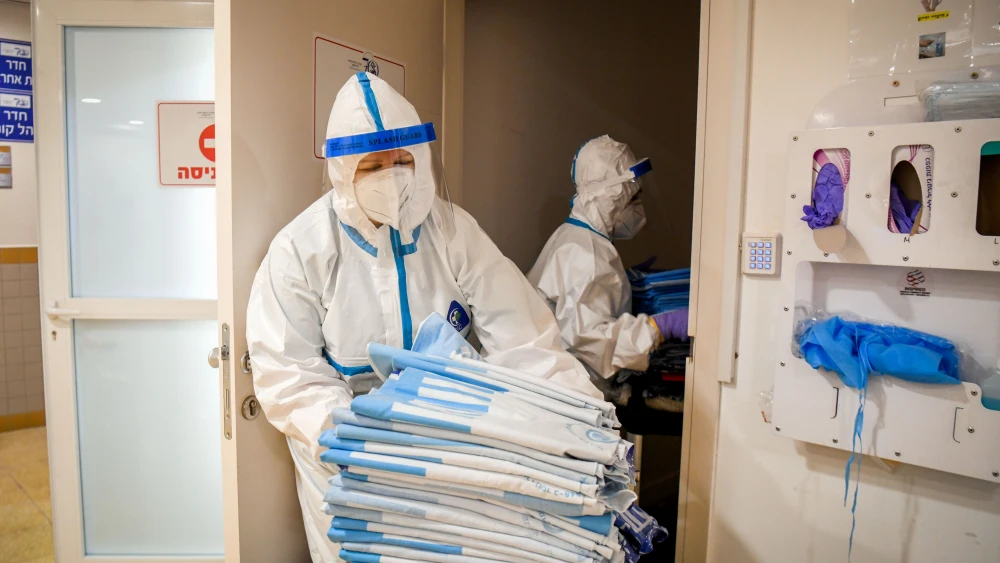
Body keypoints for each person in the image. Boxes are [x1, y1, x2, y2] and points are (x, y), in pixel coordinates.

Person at [245, 72, 598, 563]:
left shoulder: (453, 230)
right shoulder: (299, 250)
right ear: (344, 170)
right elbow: (289, 374)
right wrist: (367, 437)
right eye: (373, 164)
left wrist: (583, 427)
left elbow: (523, 337)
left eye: (403, 158)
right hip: (350, 462)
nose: (393, 174)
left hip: (446, 453)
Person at [528, 135, 682, 385]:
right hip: (566, 390)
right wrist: (659, 327)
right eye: (633, 198)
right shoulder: (586, 254)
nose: (638, 208)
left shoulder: (574, 237)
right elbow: (592, 340)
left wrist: (620, 285)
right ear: (611, 197)